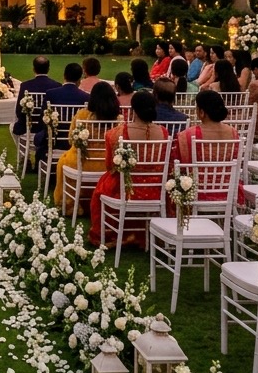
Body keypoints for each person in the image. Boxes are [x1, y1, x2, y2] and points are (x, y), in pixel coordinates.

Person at [87, 90, 167, 249]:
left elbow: (110, 166)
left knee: (103, 185)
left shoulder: (116, 134)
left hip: (126, 189)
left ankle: (114, 234)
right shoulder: (164, 133)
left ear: (134, 109)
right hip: (157, 190)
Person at [53, 81, 121, 211]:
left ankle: (70, 204)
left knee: (63, 160)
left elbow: (71, 140)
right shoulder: (118, 119)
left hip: (82, 163)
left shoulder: (82, 115)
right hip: (108, 165)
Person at [173, 90, 243, 206]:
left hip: (197, 193)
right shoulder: (233, 133)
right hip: (228, 191)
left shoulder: (188, 135)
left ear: (201, 112)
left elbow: (179, 165)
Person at [34, 62, 89, 166]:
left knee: (39, 137)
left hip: (54, 141)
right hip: (75, 141)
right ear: (79, 79)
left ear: (64, 76)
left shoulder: (51, 93)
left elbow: (43, 118)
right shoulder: (85, 97)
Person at [12, 55, 61, 135]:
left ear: (34, 69)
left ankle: (23, 147)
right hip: (49, 126)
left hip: (30, 126)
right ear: (48, 69)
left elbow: (19, 111)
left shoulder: (25, 86)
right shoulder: (57, 85)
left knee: (12, 127)